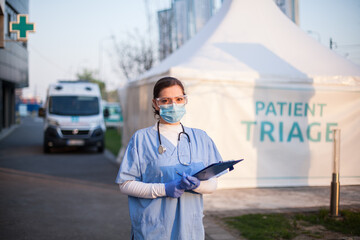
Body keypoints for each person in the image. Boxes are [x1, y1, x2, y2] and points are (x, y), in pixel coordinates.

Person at [115, 76, 223, 240]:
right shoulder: (141, 139)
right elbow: (125, 184)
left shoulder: (201, 138)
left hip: (189, 229)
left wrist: (198, 185)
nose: (173, 105)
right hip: (154, 228)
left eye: (179, 99)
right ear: (156, 103)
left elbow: (213, 184)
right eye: (166, 100)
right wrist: (163, 189)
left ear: (185, 100)